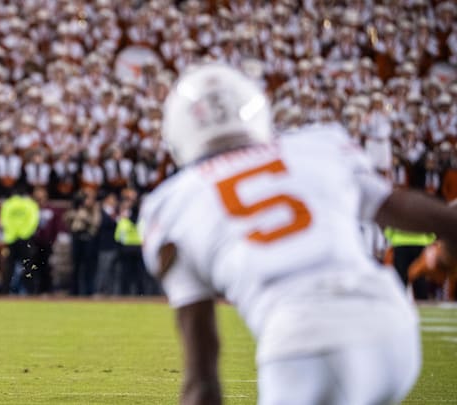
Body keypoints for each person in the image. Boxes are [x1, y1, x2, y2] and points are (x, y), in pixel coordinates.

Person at [139, 63, 457, 405]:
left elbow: (202, 380)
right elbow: (426, 214)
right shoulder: (318, 143)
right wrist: (447, 255)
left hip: (304, 346)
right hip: (393, 332)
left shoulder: (170, 204)